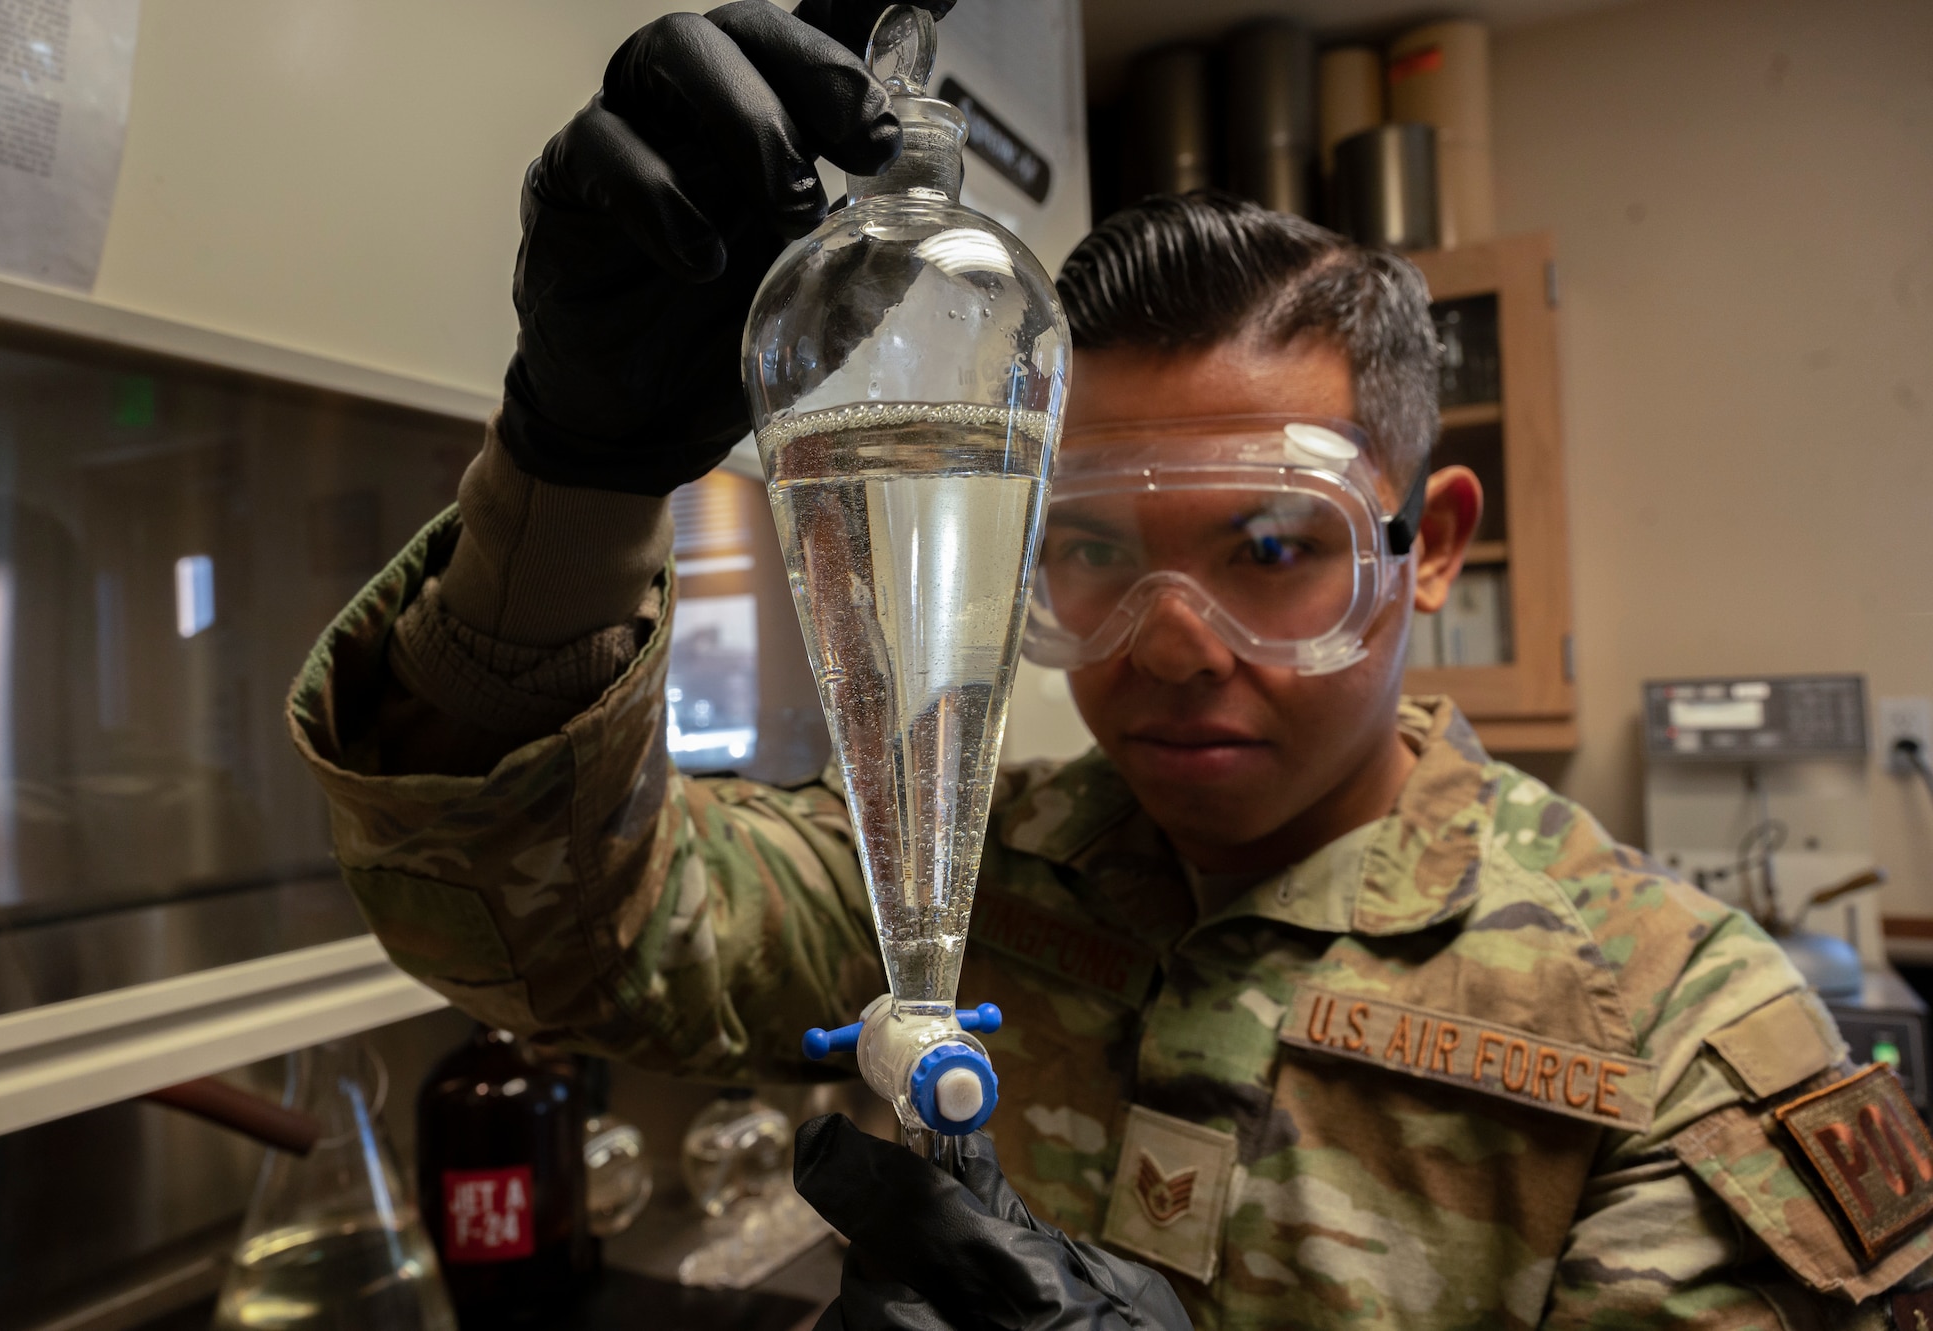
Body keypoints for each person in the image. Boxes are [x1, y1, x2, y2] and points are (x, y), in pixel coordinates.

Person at [288, 3, 1933, 1326]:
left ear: (1425, 543)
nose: (1164, 654)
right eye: (1088, 552)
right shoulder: (944, 871)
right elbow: (534, 926)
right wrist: (571, 480)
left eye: (1272, 552)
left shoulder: (1673, 1041)